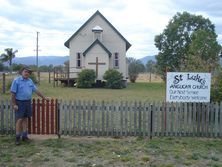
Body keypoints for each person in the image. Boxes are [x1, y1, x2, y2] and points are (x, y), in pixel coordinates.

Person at [10, 66, 49, 145]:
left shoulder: (30, 81)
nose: (27, 73)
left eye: (28, 72)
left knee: (25, 119)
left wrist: (44, 97)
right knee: (19, 120)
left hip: (28, 102)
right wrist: (14, 104)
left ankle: (24, 136)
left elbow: (36, 90)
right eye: (25, 71)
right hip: (19, 102)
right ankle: (17, 138)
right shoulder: (16, 81)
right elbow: (12, 93)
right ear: (21, 72)